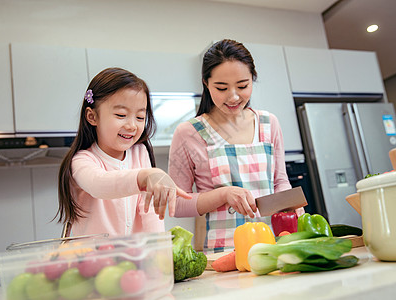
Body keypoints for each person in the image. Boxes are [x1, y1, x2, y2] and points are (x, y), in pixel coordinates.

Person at [169, 39, 305, 253]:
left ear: (253, 79)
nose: (233, 97)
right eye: (221, 88)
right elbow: (176, 204)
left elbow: (280, 182)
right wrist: (224, 195)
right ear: (205, 83)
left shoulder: (268, 124)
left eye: (242, 86)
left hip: (275, 246)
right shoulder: (188, 133)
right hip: (223, 253)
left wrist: (293, 208)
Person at [56, 67, 190, 237]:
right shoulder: (82, 161)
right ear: (92, 117)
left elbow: (149, 211)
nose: (132, 125)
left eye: (140, 117)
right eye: (121, 115)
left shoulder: (140, 153)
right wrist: (144, 176)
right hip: (93, 260)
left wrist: (159, 250)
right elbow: (100, 185)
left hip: (134, 259)